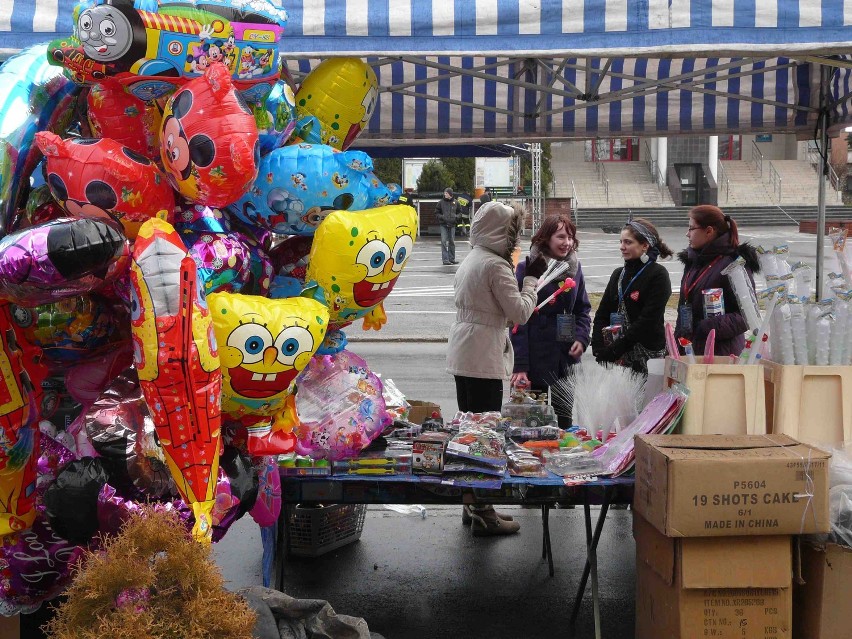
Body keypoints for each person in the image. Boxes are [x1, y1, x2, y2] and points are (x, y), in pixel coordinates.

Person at [446, 201, 547, 536]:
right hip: (484, 353)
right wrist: (531, 281)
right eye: (513, 233)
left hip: (464, 350)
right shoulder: (496, 266)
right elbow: (519, 312)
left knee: (469, 430)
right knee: (485, 436)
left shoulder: (472, 258)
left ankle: (471, 503)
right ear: (504, 233)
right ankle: (484, 510)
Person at [510, 214, 591, 427]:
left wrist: (581, 338)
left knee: (564, 423)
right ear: (546, 238)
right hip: (535, 359)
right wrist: (520, 365)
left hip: (564, 359)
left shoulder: (575, 268)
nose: (567, 243)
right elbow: (518, 321)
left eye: (571, 237)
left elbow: (583, 309)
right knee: (531, 425)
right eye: (561, 237)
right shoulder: (528, 268)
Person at [591, 218, 673, 375]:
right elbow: (602, 313)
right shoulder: (618, 274)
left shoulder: (658, 275)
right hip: (618, 357)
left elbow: (648, 320)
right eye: (621, 242)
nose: (622, 247)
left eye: (628, 242)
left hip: (647, 356)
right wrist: (598, 344)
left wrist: (617, 348)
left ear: (644, 245)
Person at [675, 205, 760, 356]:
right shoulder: (693, 262)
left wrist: (705, 327)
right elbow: (684, 307)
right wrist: (675, 346)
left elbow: (747, 316)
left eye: (691, 228)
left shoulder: (734, 265)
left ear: (709, 231)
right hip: (691, 351)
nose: (687, 234)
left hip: (721, 356)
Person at [434, 187, 460, 265]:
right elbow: (436, 212)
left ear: (450, 194)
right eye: (445, 193)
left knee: (452, 242)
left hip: (452, 225)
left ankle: (452, 259)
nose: (445, 194)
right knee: (444, 241)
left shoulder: (456, 203)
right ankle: (445, 260)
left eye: (446, 193)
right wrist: (442, 217)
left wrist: (456, 217)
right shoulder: (441, 202)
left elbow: (460, 212)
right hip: (443, 225)